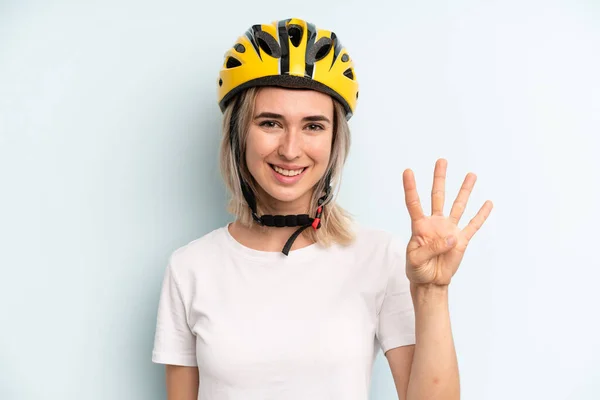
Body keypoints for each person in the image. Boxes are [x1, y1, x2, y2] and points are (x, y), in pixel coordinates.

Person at [151, 17, 493, 400]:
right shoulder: (190, 268)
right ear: (237, 134)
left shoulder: (380, 257)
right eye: (270, 123)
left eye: (313, 126)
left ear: (334, 141)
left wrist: (432, 291)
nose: (291, 149)